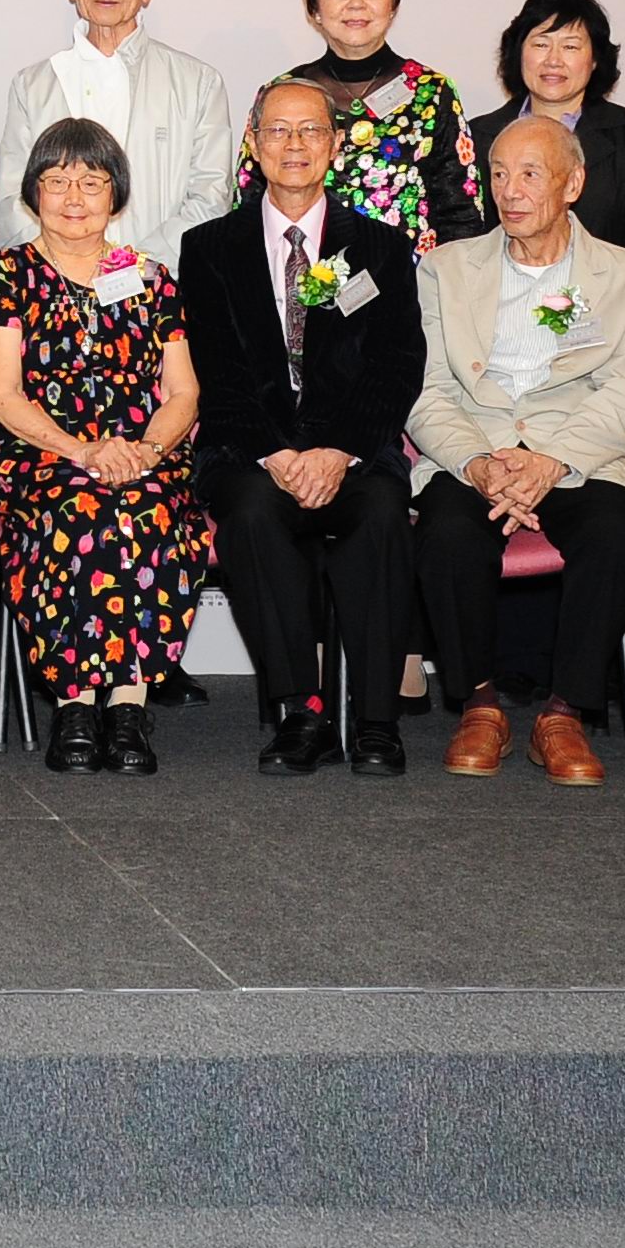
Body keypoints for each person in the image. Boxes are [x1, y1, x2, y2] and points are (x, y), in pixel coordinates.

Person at [409, 115, 625, 788]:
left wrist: (551, 459)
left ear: (572, 183)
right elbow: (426, 387)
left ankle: (564, 712)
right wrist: (477, 462)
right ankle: (480, 703)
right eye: (498, 174)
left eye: (530, 174)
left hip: (581, 449)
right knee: (446, 533)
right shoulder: (444, 269)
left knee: (616, 537)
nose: (510, 191)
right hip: (475, 446)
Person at [182, 79, 429, 777]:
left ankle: (377, 720)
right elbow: (215, 368)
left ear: (336, 144)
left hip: (353, 450)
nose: (295, 145)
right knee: (252, 515)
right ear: (254, 144)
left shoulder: (381, 246)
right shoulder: (209, 247)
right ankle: (303, 712)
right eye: (278, 131)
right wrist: (275, 453)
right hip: (249, 450)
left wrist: (338, 449)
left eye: (311, 130)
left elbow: (397, 364)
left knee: (381, 513)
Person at [0, 119, 206, 774]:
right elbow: (2, 397)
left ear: (116, 194)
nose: (74, 197)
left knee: (145, 509)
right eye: (57, 181)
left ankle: (127, 708)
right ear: (32, 193)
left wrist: (148, 451)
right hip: (41, 453)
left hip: (143, 451)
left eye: (92, 182)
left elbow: (183, 392)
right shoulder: (5, 277)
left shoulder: (151, 278)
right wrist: (83, 452)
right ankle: (75, 704)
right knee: (83, 509)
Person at [0, 0, 234, 269]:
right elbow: (12, 203)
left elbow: (210, 199)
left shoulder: (198, 83)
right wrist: (64, 271)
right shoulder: (33, 86)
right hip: (54, 288)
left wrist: (134, 271)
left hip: (163, 284)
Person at [270, 0, 488, 252]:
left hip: (410, 280)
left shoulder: (431, 93)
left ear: (393, 3)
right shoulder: (283, 96)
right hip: (299, 275)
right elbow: (251, 205)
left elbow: (462, 217)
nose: (356, 3)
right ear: (313, 6)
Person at [470, 0, 625, 266]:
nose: (553, 60)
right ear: (518, 53)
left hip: (606, 290)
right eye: (541, 44)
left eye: (570, 47)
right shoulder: (477, 137)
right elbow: (464, 238)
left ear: (594, 59)